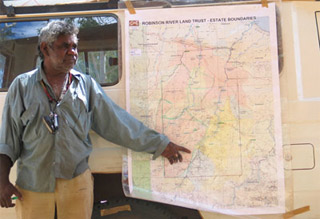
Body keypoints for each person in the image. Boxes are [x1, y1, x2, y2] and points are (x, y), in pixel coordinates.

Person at [0, 20, 190, 219]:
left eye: (74, 46)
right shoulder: (21, 87)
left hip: (76, 184)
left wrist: (160, 144)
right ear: (45, 48)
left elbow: (118, 124)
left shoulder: (86, 86)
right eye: (65, 46)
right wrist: (2, 182)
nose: (73, 52)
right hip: (32, 185)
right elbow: (7, 140)